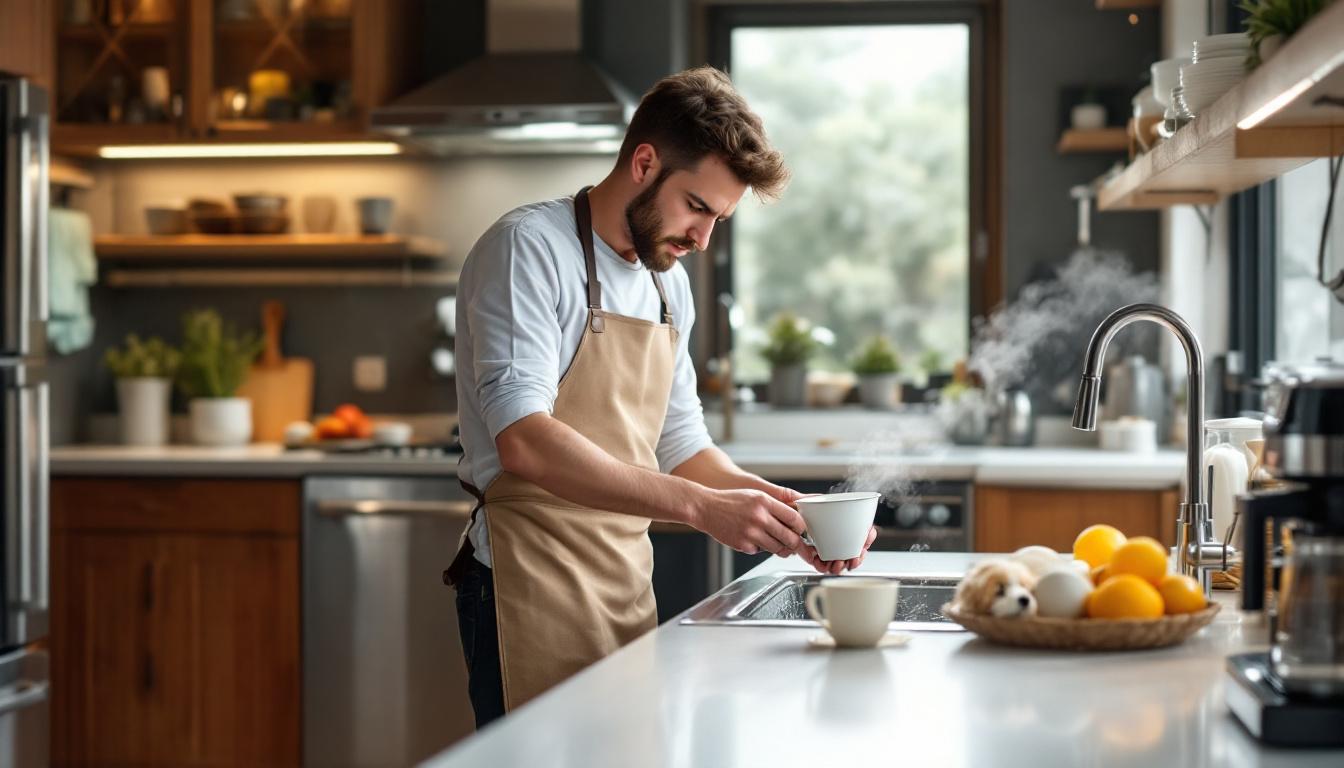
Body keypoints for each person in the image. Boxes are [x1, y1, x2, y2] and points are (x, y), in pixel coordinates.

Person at [445, 66, 877, 728]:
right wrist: (703, 509)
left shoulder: (665, 285)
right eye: (697, 208)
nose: (703, 240)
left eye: (719, 219)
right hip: (524, 581)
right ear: (644, 163)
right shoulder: (529, 249)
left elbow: (681, 444)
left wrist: (787, 515)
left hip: (621, 582)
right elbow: (525, 440)